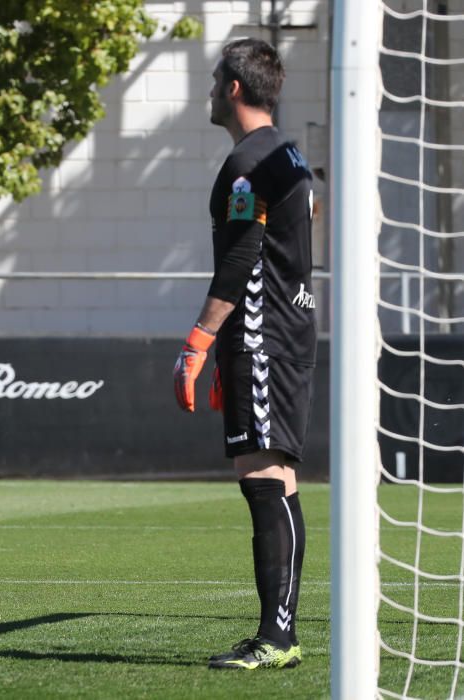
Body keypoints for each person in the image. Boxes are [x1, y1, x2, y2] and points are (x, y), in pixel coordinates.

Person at [173, 38, 315, 670]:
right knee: (279, 480)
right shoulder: (287, 154)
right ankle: (279, 632)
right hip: (285, 333)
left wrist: (197, 343)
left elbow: (239, 260)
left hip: (259, 334)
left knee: (262, 479)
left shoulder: (249, 162)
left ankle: (276, 638)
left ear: (233, 88)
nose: (208, 92)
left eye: (212, 82)